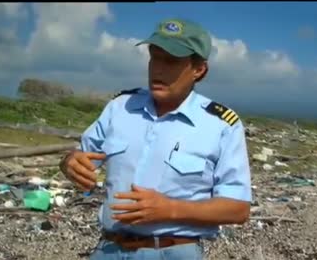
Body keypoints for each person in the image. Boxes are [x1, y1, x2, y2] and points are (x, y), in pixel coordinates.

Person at [59, 18, 252, 260]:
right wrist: (69, 163)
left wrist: (170, 209)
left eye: (171, 61)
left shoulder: (221, 125)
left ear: (199, 69)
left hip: (172, 252)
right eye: (154, 57)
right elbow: (80, 159)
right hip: (108, 249)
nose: (158, 69)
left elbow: (238, 208)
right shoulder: (120, 108)